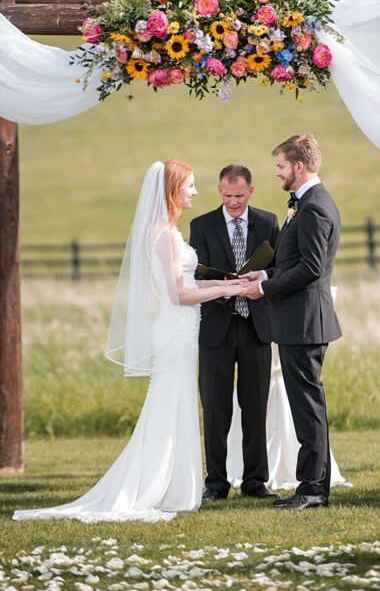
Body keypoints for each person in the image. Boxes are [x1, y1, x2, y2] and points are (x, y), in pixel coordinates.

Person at [13, 161, 245, 522]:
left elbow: (188, 285)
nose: (195, 193)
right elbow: (177, 295)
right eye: (190, 186)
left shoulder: (165, 231)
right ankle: (157, 486)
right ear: (172, 190)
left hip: (181, 331)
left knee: (177, 404)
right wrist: (224, 290)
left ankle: (174, 485)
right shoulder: (166, 236)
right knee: (169, 404)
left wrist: (229, 285)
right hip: (176, 331)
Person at [240, 134, 342, 510]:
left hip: (304, 323)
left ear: (299, 166)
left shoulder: (314, 207)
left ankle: (313, 490)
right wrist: (263, 277)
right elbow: (293, 262)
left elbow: (312, 268)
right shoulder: (308, 202)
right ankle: (313, 485)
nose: (277, 172)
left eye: (281, 166)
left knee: (308, 408)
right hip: (300, 322)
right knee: (307, 405)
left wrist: (265, 291)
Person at [189, 164, 279, 502]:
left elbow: (279, 265)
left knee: (256, 408)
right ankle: (216, 483)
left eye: (239, 196)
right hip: (216, 328)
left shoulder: (269, 222)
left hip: (256, 327)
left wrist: (261, 277)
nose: (233, 202)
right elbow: (198, 271)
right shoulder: (201, 225)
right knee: (215, 408)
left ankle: (256, 482)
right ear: (219, 191)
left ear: (251, 191)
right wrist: (226, 284)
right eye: (227, 195)